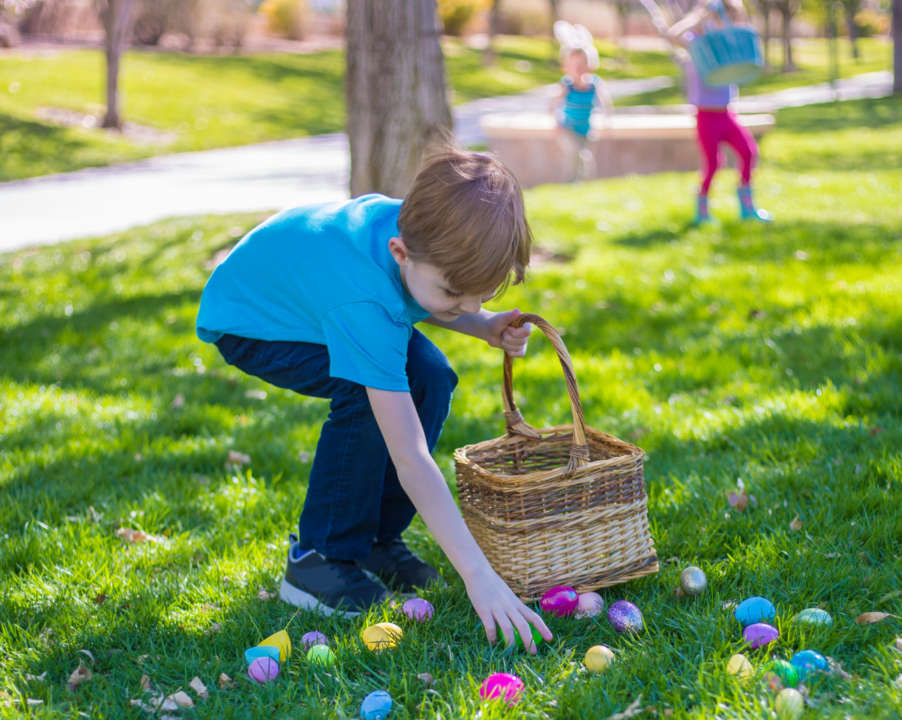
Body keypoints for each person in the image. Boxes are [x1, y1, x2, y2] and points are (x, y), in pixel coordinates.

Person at [195, 145, 552, 652]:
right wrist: (478, 575)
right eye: (456, 295)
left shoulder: (420, 234)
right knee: (365, 392)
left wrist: (483, 326)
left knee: (429, 375)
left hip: (318, 296)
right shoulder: (364, 297)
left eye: (481, 296)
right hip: (252, 320)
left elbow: (412, 291)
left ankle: (375, 544)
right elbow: (410, 457)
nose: (467, 307)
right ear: (400, 252)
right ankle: (317, 559)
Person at [668, 0, 773, 224]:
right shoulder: (697, 45)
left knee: (748, 153)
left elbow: (746, 36)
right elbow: (674, 35)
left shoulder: (728, 47)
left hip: (727, 113)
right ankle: (702, 211)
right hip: (706, 116)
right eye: (727, 18)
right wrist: (697, 18)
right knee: (713, 165)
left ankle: (747, 208)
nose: (731, 24)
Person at [550, 21, 613, 182]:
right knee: (575, 155)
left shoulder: (594, 85)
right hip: (568, 129)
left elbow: (605, 103)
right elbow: (553, 104)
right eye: (575, 65)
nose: (579, 69)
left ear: (591, 65)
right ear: (567, 67)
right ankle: (570, 183)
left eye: (583, 65)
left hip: (586, 129)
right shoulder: (567, 85)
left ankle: (584, 184)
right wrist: (556, 122)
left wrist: (607, 121)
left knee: (587, 158)